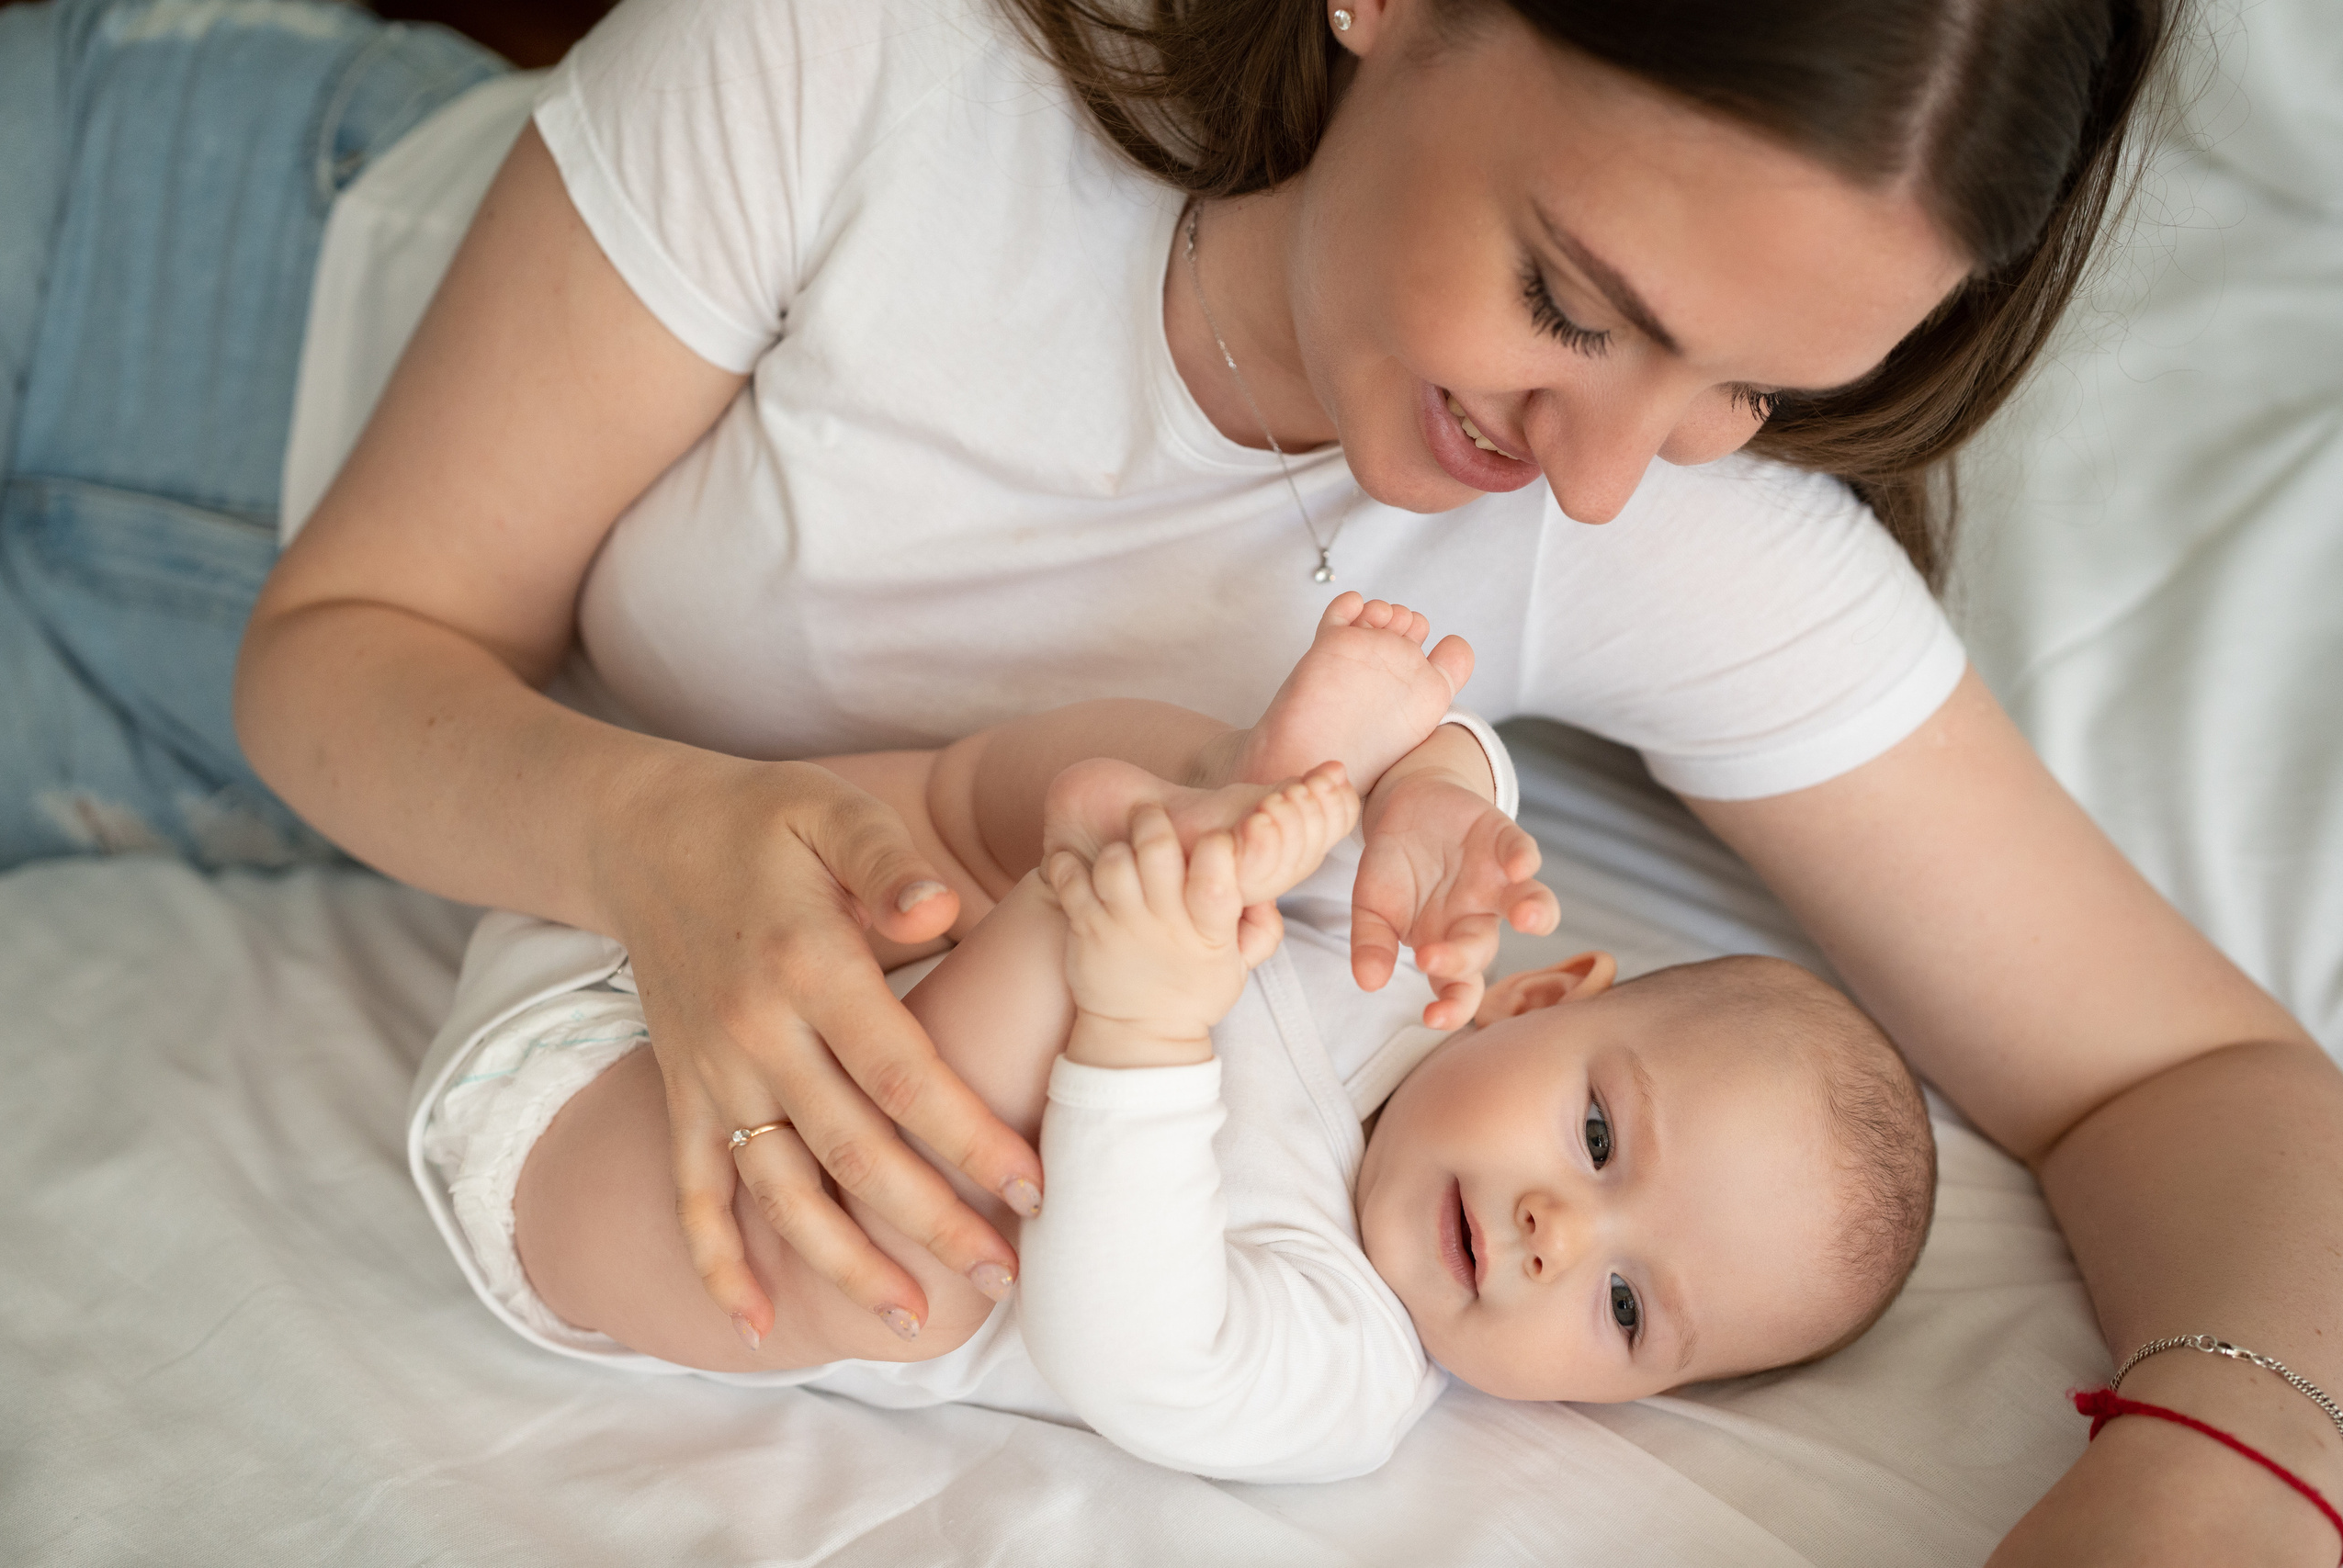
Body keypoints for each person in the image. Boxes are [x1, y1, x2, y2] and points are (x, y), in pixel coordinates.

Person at [0, 0, 2337, 1554]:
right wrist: (652, 830)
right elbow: (348, 648)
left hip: (212, 790)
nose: (1610, 479)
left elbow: (2197, 1073)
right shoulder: (875, 56)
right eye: (1571, 302)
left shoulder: (1673, 543)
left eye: (1751, 390)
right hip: (168, 280)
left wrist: (2214, 1473)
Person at [419, 599, 1936, 1481]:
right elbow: (1458, 779)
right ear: (1545, 996)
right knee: (1190, 786)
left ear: (1621, 1400)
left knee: (940, 1277)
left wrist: (1144, 1023)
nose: (1557, 1230)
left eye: (1622, 1308)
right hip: (718, 900)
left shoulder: (1341, 1363)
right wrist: (1435, 791)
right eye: (1599, 1141)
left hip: (617, 1164)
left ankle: (1112, 887)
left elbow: (1130, 1355)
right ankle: (1193, 803)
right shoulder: (1410, 971)